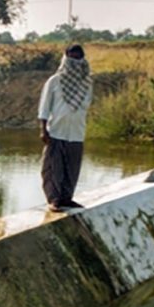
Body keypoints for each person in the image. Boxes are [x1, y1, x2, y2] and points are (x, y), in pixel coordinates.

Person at [38, 44, 92, 212]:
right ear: (66, 58)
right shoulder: (55, 81)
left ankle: (67, 198)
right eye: (72, 57)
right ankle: (54, 199)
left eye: (78, 57)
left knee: (72, 168)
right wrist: (43, 129)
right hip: (57, 130)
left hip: (76, 132)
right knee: (53, 168)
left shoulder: (87, 83)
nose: (75, 61)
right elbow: (44, 107)